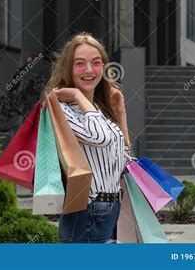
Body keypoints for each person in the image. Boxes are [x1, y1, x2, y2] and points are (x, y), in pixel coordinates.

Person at [42, 32, 132, 243]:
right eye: (80, 64)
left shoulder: (97, 110)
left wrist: (120, 112)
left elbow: (125, 159)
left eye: (96, 62)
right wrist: (76, 95)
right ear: (68, 69)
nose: (89, 70)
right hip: (87, 209)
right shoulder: (63, 109)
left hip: (110, 208)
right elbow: (99, 138)